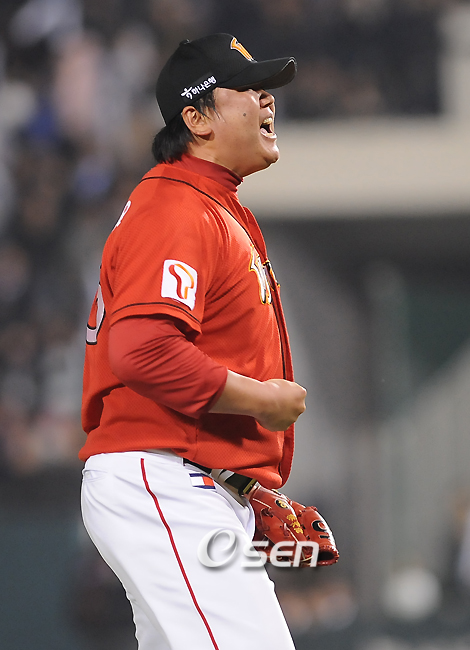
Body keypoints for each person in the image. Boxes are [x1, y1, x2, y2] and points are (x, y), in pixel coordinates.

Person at [80, 33, 306, 650]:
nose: (267, 99)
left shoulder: (208, 205)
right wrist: (263, 401)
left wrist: (243, 485)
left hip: (185, 479)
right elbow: (143, 351)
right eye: (249, 88)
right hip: (163, 478)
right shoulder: (178, 208)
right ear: (197, 119)